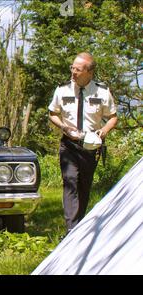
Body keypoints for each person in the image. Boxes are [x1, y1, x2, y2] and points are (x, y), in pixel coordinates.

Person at [48, 52, 118, 233]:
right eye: (72, 68)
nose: (73, 72)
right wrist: (64, 127)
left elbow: (112, 117)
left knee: (84, 185)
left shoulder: (102, 92)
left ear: (89, 72)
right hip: (69, 144)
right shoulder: (62, 89)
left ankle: (79, 226)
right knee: (70, 180)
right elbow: (52, 113)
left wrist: (104, 131)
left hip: (90, 146)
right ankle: (71, 229)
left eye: (78, 70)